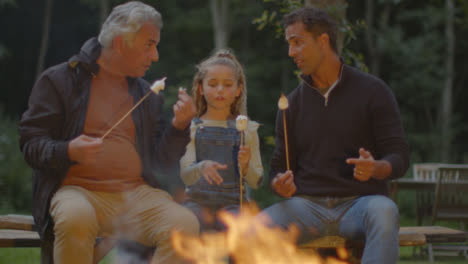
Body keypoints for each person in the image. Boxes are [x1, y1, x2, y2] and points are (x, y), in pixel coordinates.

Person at [18, 2, 199, 263]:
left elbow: (160, 162)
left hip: (137, 195)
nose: (156, 55)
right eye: (149, 44)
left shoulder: (147, 95)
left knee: (184, 223)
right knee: (75, 218)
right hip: (76, 191)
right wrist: (67, 150)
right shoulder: (59, 81)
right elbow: (30, 143)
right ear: (120, 43)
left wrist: (179, 127)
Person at [261, 7, 409, 264]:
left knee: (386, 212)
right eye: (289, 44)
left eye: (297, 43)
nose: (290, 52)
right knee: (252, 229)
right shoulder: (291, 103)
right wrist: (279, 184)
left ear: (323, 41)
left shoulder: (374, 91)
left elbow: (400, 157)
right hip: (306, 209)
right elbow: (278, 168)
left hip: (361, 205)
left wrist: (376, 168)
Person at [179, 50, 263, 230]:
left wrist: (246, 166)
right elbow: (185, 176)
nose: (220, 90)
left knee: (244, 230)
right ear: (201, 88)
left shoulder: (247, 129)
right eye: (212, 84)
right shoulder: (192, 127)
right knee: (185, 225)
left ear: (238, 89)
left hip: (233, 206)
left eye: (227, 84)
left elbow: (256, 181)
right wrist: (201, 167)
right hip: (197, 204)